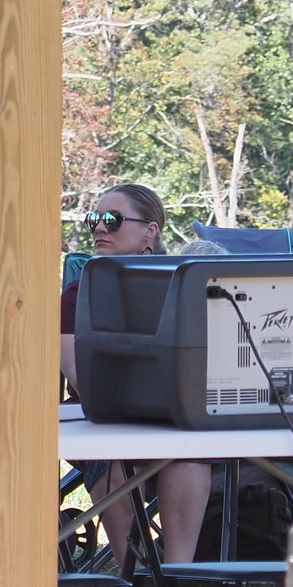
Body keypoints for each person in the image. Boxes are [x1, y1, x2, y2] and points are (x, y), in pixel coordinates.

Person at [61, 184, 211, 563]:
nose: (99, 228)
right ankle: (132, 573)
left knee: (188, 459)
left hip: (176, 418)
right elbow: (80, 378)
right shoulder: (77, 294)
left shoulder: (191, 287)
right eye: (94, 219)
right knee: (111, 462)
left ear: (150, 231)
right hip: (103, 421)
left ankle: (178, 577)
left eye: (111, 219)